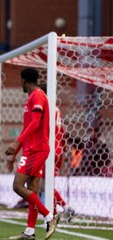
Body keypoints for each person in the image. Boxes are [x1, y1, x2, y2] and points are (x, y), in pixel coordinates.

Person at [5, 67, 59, 240]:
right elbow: (29, 126)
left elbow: (36, 124)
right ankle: (30, 231)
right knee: (32, 190)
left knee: (17, 186)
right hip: (31, 149)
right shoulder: (32, 97)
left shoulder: (38, 95)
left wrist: (16, 142)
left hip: (37, 149)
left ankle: (50, 217)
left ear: (23, 80)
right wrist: (16, 153)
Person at [39, 85, 74, 218]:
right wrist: (64, 146)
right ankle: (54, 213)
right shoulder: (57, 109)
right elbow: (62, 130)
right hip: (59, 149)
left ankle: (64, 207)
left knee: (44, 185)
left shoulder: (45, 107)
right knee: (48, 184)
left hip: (49, 149)